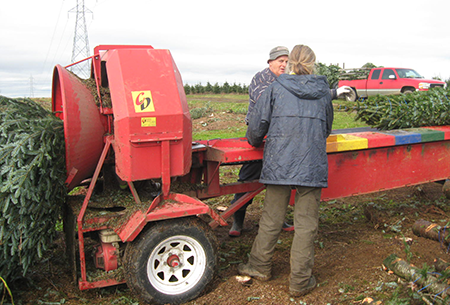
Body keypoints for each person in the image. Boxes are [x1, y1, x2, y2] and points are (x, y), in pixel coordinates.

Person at [237, 44, 350, 297]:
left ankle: (259, 266)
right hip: (311, 163)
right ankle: (300, 281)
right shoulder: (323, 93)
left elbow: (256, 127)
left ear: (289, 64)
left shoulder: (276, 88)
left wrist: (255, 142)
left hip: (279, 162)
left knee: (271, 217)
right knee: (306, 224)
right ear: (312, 64)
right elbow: (326, 128)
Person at [229, 46, 292, 237]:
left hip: (280, 136)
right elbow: (269, 104)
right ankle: (237, 220)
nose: (284, 65)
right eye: (280, 61)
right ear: (270, 62)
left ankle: (278, 218)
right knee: (248, 177)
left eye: (287, 62)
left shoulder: (288, 80)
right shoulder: (261, 79)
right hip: (260, 135)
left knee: (280, 179)